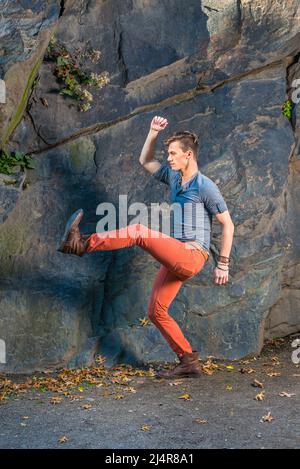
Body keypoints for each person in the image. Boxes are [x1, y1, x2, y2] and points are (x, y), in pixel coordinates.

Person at [58, 116, 235, 378]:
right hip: (178, 252)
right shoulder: (175, 178)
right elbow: (146, 161)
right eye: (168, 154)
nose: (169, 158)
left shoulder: (205, 186)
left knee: (139, 231)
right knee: (156, 311)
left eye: (173, 154)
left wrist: (223, 264)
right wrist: (152, 133)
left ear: (188, 154)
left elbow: (228, 224)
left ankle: (82, 244)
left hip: (193, 255)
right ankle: (188, 362)